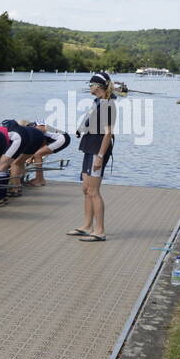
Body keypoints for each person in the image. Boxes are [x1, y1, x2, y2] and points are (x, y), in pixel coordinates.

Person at [67, 71, 116, 242]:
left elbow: (108, 133)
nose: (89, 87)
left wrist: (100, 156)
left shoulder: (108, 105)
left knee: (94, 191)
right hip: (89, 147)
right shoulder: (98, 102)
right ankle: (87, 226)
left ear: (99, 86)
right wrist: (81, 128)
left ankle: (100, 231)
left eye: (91, 84)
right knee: (86, 189)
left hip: (98, 150)